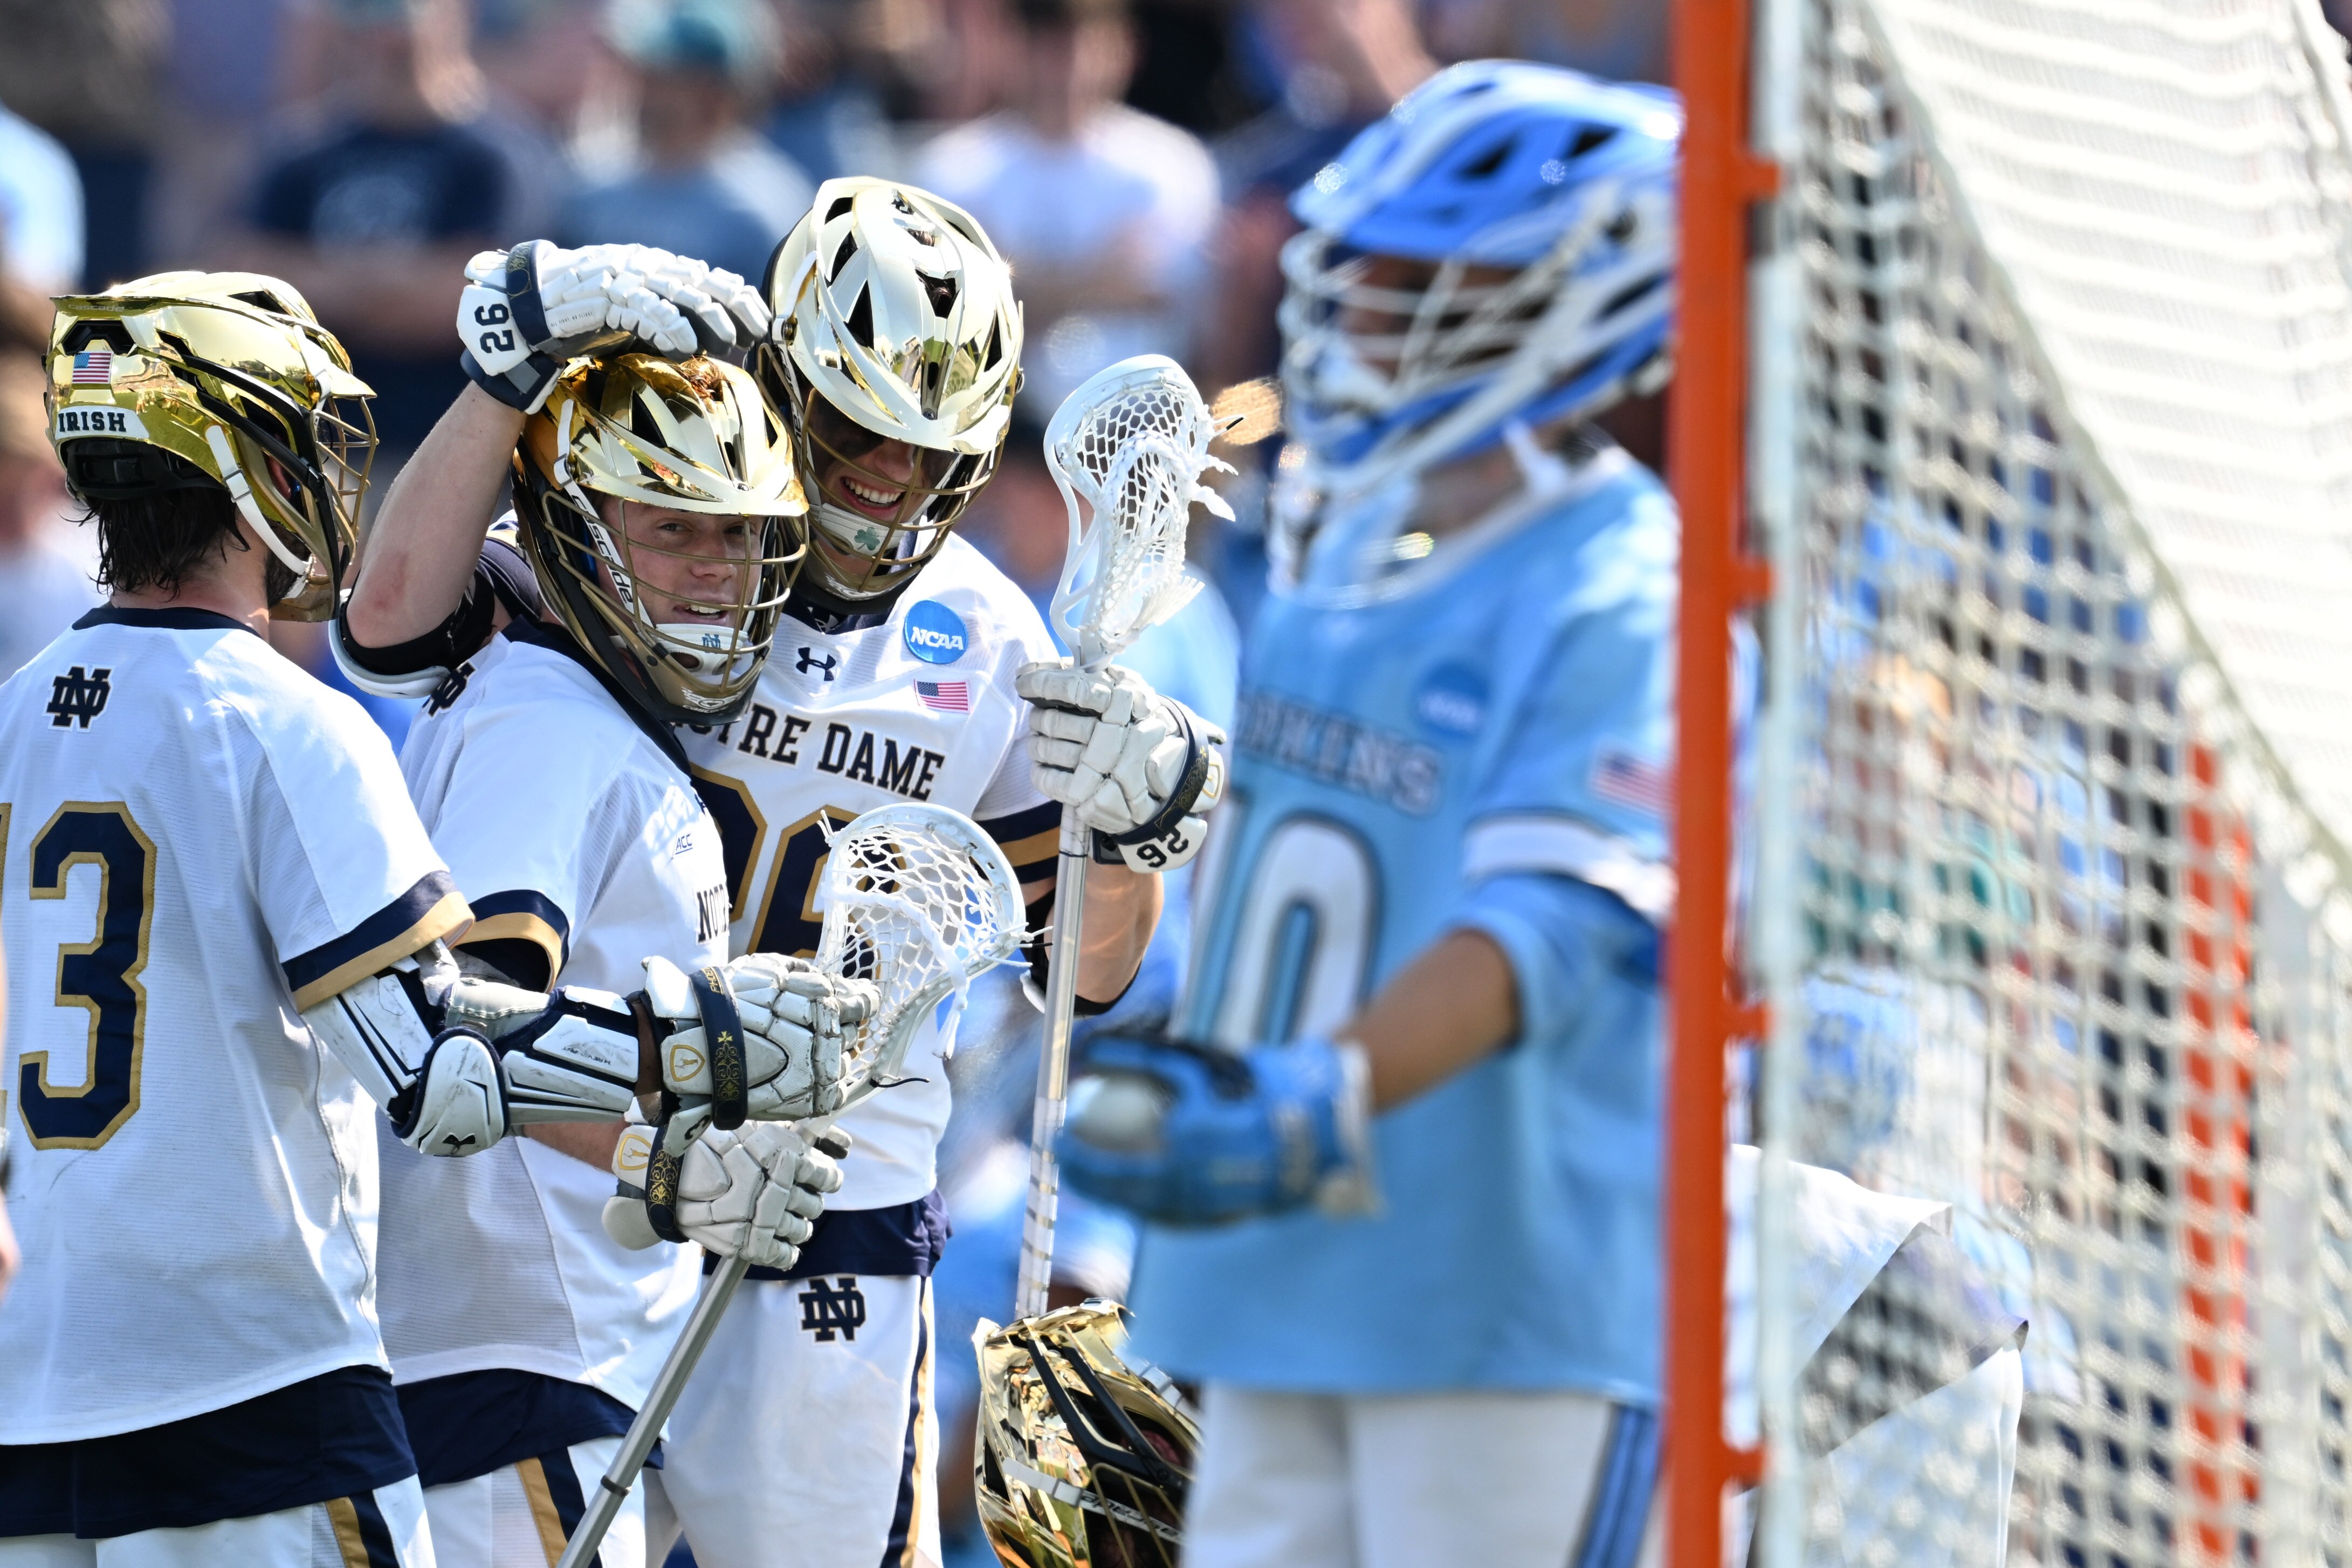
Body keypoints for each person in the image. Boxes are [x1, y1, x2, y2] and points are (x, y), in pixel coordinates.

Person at [335, 177, 1227, 1567]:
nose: (888, 482)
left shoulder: (984, 637)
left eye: (933, 456)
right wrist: (502, 378)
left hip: (835, 1193)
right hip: (596, 1175)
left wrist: (1136, 825)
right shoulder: (663, 534)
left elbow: (1089, 971)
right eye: (860, 428)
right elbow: (387, 635)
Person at [0, 270, 833, 1566]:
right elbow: (434, 1064)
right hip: (257, 1390)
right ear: (243, 456)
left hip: (41, 1397)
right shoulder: (285, 724)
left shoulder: (15, 713)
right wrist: (697, 1045)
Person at [1050, 63, 1683, 1567]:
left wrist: (1304, 1104)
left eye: (1418, 280)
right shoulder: (1339, 565)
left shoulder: (1617, 583)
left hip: (1490, 1298)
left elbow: (1553, 926)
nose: (1364, 319)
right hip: (1278, 1286)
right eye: (1366, 276)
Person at [219, 0, 559, 456]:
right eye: (372, 20)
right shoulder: (297, 153)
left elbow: (476, 307)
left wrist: (324, 286)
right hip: (317, 447)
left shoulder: (498, 156)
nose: (388, 38)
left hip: (452, 447)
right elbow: (246, 290)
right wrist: (398, 282)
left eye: (404, 22)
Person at [916, 0, 1219, 409]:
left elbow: (1192, 311)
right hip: (997, 430)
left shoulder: (1174, 164)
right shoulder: (949, 172)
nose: (1067, 67)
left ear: (1126, 48)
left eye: (1086, 42)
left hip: (1147, 424)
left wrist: (1015, 287)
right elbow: (951, 329)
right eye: (1047, 44)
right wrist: (1101, 280)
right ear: (1007, 46)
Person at [559, 0, 815, 287]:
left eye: (668, 77)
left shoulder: (767, 216)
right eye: (645, 71)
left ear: (716, 96)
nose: (646, 89)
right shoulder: (589, 189)